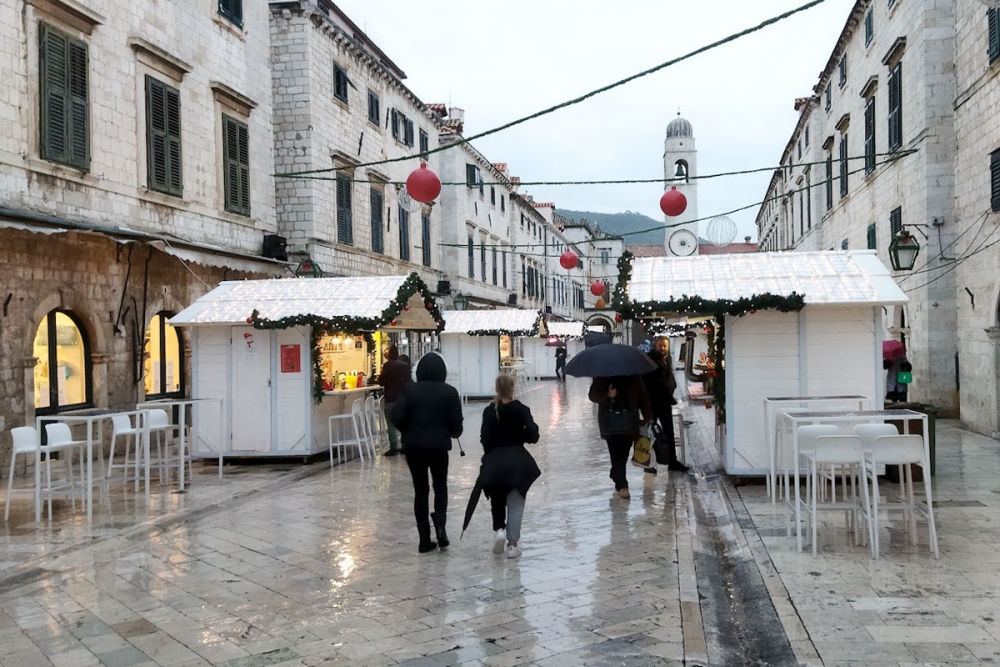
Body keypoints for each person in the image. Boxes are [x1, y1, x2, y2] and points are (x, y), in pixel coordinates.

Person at [391, 352, 463, 553]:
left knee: (420, 490)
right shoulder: (449, 392)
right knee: (440, 487)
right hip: (439, 447)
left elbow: (396, 415)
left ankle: (424, 539)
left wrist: (407, 430)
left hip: (414, 447)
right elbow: (457, 427)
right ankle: (441, 528)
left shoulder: (409, 390)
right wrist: (449, 430)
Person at [479, 374, 541, 559]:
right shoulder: (521, 409)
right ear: (512, 388)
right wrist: (521, 436)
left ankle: (499, 530)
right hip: (517, 462)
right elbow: (534, 435)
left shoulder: (489, 411)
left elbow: (485, 440)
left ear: (496, 389)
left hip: (496, 461)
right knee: (516, 503)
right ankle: (513, 545)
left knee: (497, 498)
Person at [588, 375, 653, 499]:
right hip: (609, 423)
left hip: (629, 422)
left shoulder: (634, 376)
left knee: (622, 455)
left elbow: (643, 397)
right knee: (615, 454)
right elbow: (593, 395)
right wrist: (608, 394)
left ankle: (617, 475)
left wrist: (648, 416)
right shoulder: (602, 376)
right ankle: (622, 485)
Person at [642, 337, 690, 473]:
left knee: (669, 431)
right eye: (660, 346)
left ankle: (673, 461)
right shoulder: (649, 359)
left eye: (665, 346)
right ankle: (648, 464)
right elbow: (650, 381)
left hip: (665, 401)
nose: (663, 348)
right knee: (650, 432)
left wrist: (671, 388)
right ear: (655, 346)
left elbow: (669, 377)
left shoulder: (667, 359)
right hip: (652, 402)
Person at [377, 345, 411, 456]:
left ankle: (393, 447)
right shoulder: (405, 366)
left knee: (391, 423)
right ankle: (405, 445)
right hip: (404, 399)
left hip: (391, 398)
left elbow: (381, 381)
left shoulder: (387, 366)